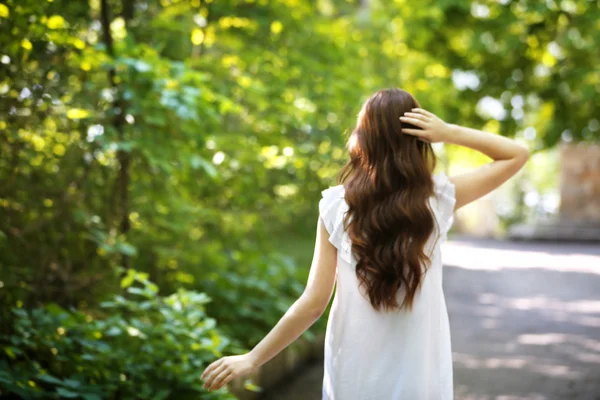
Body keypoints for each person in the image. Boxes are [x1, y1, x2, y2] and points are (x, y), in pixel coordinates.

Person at [200, 88, 529, 399]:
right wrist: (449, 132)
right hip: (419, 378)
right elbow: (516, 154)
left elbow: (314, 303)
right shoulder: (436, 199)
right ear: (418, 140)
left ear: (364, 138)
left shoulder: (335, 206)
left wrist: (253, 357)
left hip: (354, 374)